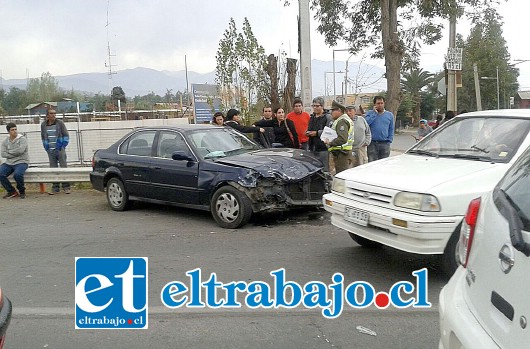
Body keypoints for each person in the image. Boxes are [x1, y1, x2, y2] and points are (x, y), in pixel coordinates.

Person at [41, 109, 71, 194]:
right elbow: (43, 137)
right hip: (50, 150)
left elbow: (66, 135)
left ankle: (66, 187)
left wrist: (62, 146)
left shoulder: (60, 123)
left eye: (54, 113)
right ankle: (55, 187)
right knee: (53, 169)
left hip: (60, 149)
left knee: (63, 167)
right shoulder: (43, 125)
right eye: (51, 113)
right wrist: (46, 147)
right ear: (47, 115)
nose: (53, 115)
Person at [324, 101, 354, 175]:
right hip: (343, 153)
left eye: (333, 110)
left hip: (342, 154)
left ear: (339, 110)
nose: (331, 113)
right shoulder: (342, 120)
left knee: (341, 177)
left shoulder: (342, 121)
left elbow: (342, 139)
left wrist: (330, 142)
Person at [0, 123, 29, 199]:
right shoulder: (5, 141)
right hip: (9, 163)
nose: (15, 131)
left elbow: (21, 151)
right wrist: (14, 153)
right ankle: (11, 191)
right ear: (8, 131)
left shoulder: (22, 139)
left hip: (21, 162)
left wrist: (9, 152)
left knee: (17, 174)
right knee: (0, 173)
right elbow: (3, 154)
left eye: (15, 129)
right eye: (12, 130)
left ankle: (22, 192)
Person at [306, 97, 332, 172]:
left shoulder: (327, 117)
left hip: (323, 148)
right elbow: (309, 129)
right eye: (313, 106)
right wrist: (308, 133)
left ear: (322, 106)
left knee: (324, 170)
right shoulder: (312, 117)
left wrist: (317, 133)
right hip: (312, 147)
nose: (315, 108)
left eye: (317, 106)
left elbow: (329, 132)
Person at [365, 96, 394, 162]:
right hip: (372, 143)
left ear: (384, 104)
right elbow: (366, 124)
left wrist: (390, 139)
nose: (380, 105)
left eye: (381, 103)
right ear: (375, 104)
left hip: (385, 143)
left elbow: (391, 128)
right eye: (378, 103)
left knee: (384, 163)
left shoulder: (389, 115)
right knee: (372, 163)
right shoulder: (369, 113)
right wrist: (374, 113)